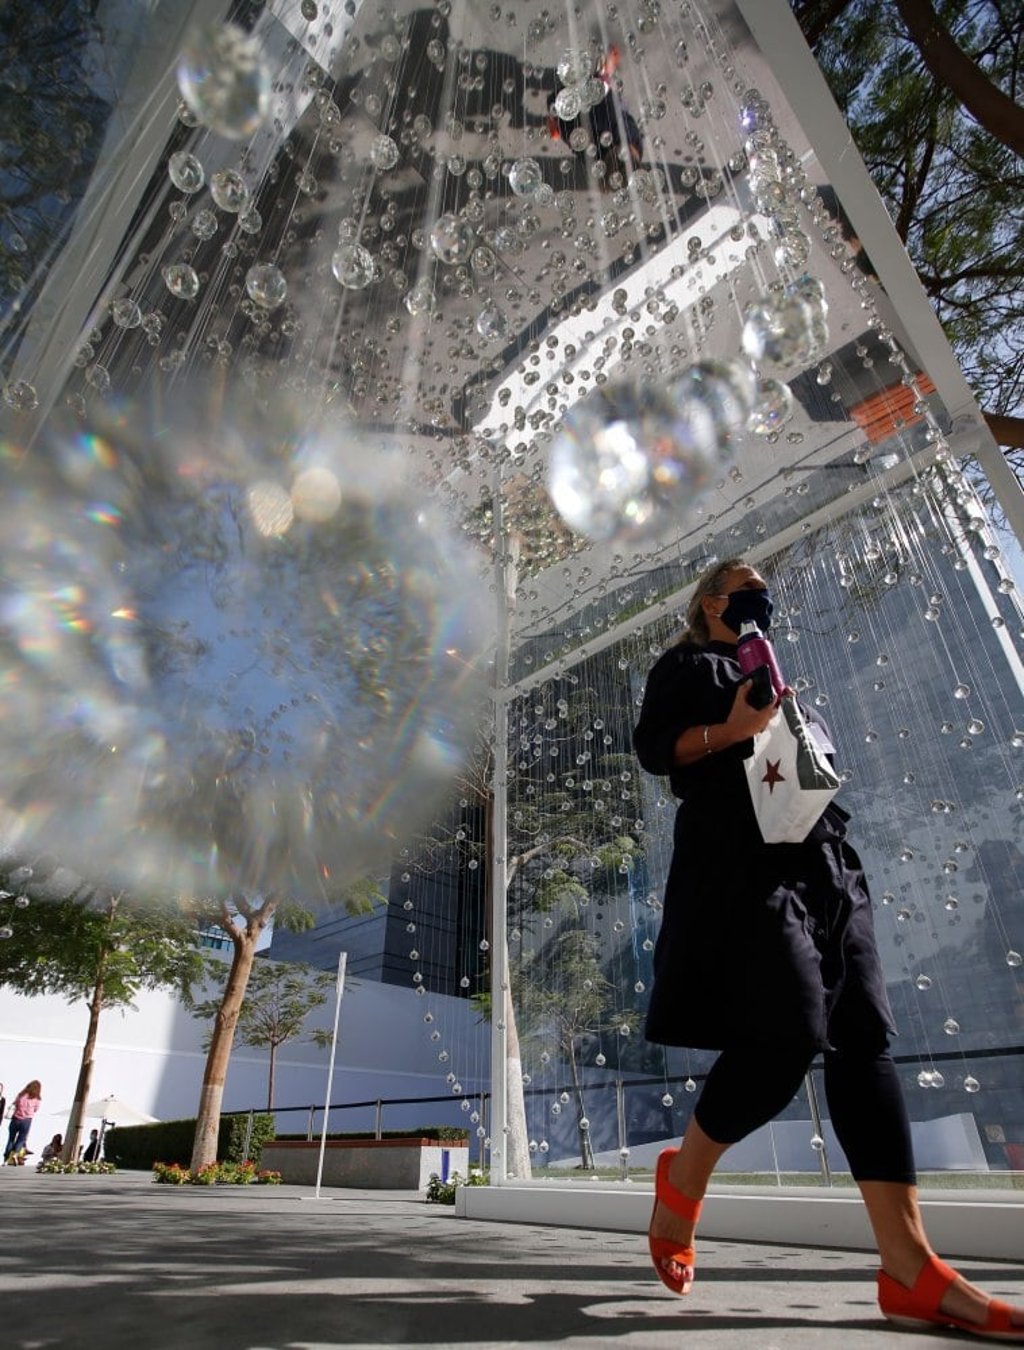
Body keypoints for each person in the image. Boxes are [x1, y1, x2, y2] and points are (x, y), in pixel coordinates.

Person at [633, 557, 1024, 1340]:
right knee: (786, 1035)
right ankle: (685, 1174)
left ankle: (909, 1266)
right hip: (744, 861)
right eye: (745, 583)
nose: (760, 593)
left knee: (864, 1039)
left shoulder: (769, 669)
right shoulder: (684, 663)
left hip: (826, 858)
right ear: (711, 600)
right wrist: (732, 731)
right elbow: (654, 748)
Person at [4, 1080, 42, 1164]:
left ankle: (6, 1159)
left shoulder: (21, 1095)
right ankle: (16, 1154)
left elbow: (15, 1104)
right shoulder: (37, 1098)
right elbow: (36, 1109)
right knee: (21, 1139)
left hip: (15, 1119)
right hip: (26, 1121)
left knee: (11, 1139)